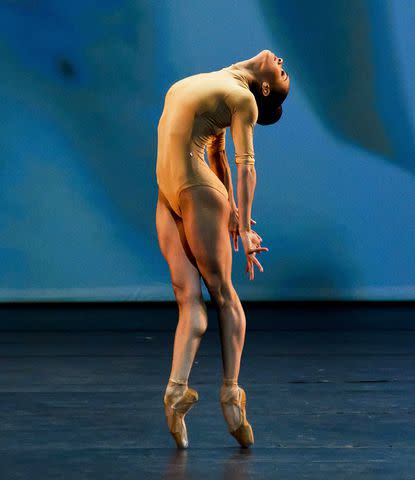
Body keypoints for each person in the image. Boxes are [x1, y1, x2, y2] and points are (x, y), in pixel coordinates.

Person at [155, 49, 290, 449]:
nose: (282, 63)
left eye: (283, 76)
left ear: (264, 88)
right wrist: (231, 210)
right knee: (188, 300)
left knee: (224, 294)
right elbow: (218, 155)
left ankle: (231, 395)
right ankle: (176, 391)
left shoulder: (245, 99)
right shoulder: (219, 83)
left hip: (196, 190)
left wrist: (244, 227)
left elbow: (245, 163)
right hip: (169, 194)